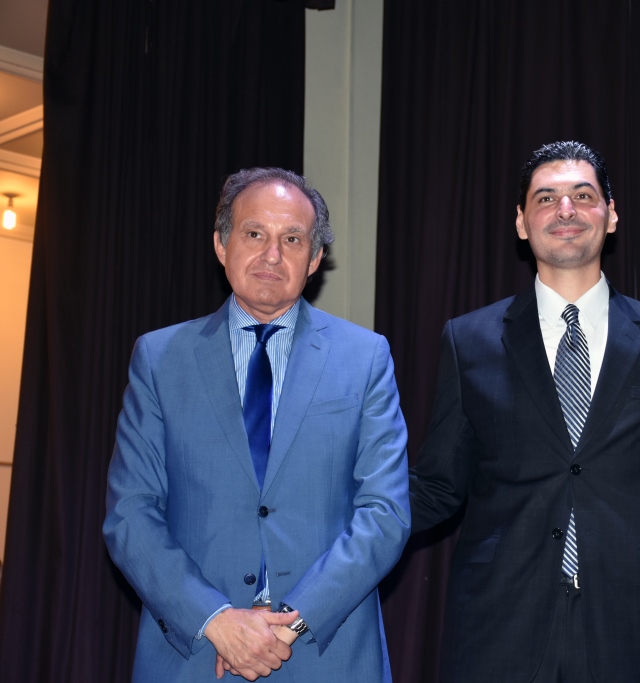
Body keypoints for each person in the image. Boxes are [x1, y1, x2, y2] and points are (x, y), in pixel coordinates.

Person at [409, 141, 640, 682]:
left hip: (635, 624)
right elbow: (437, 486)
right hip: (500, 625)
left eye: (582, 195)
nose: (565, 210)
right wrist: (339, 530)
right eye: (546, 198)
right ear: (521, 223)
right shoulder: (467, 340)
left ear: (611, 215)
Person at [104, 168, 410, 682]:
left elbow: (385, 512)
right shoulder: (160, 359)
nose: (273, 254)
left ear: (314, 260)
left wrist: (288, 625)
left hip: (325, 654)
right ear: (221, 244)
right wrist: (217, 620)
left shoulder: (366, 357)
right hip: (196, 655)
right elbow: (131, 512)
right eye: (254, 234)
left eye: (292, 239)